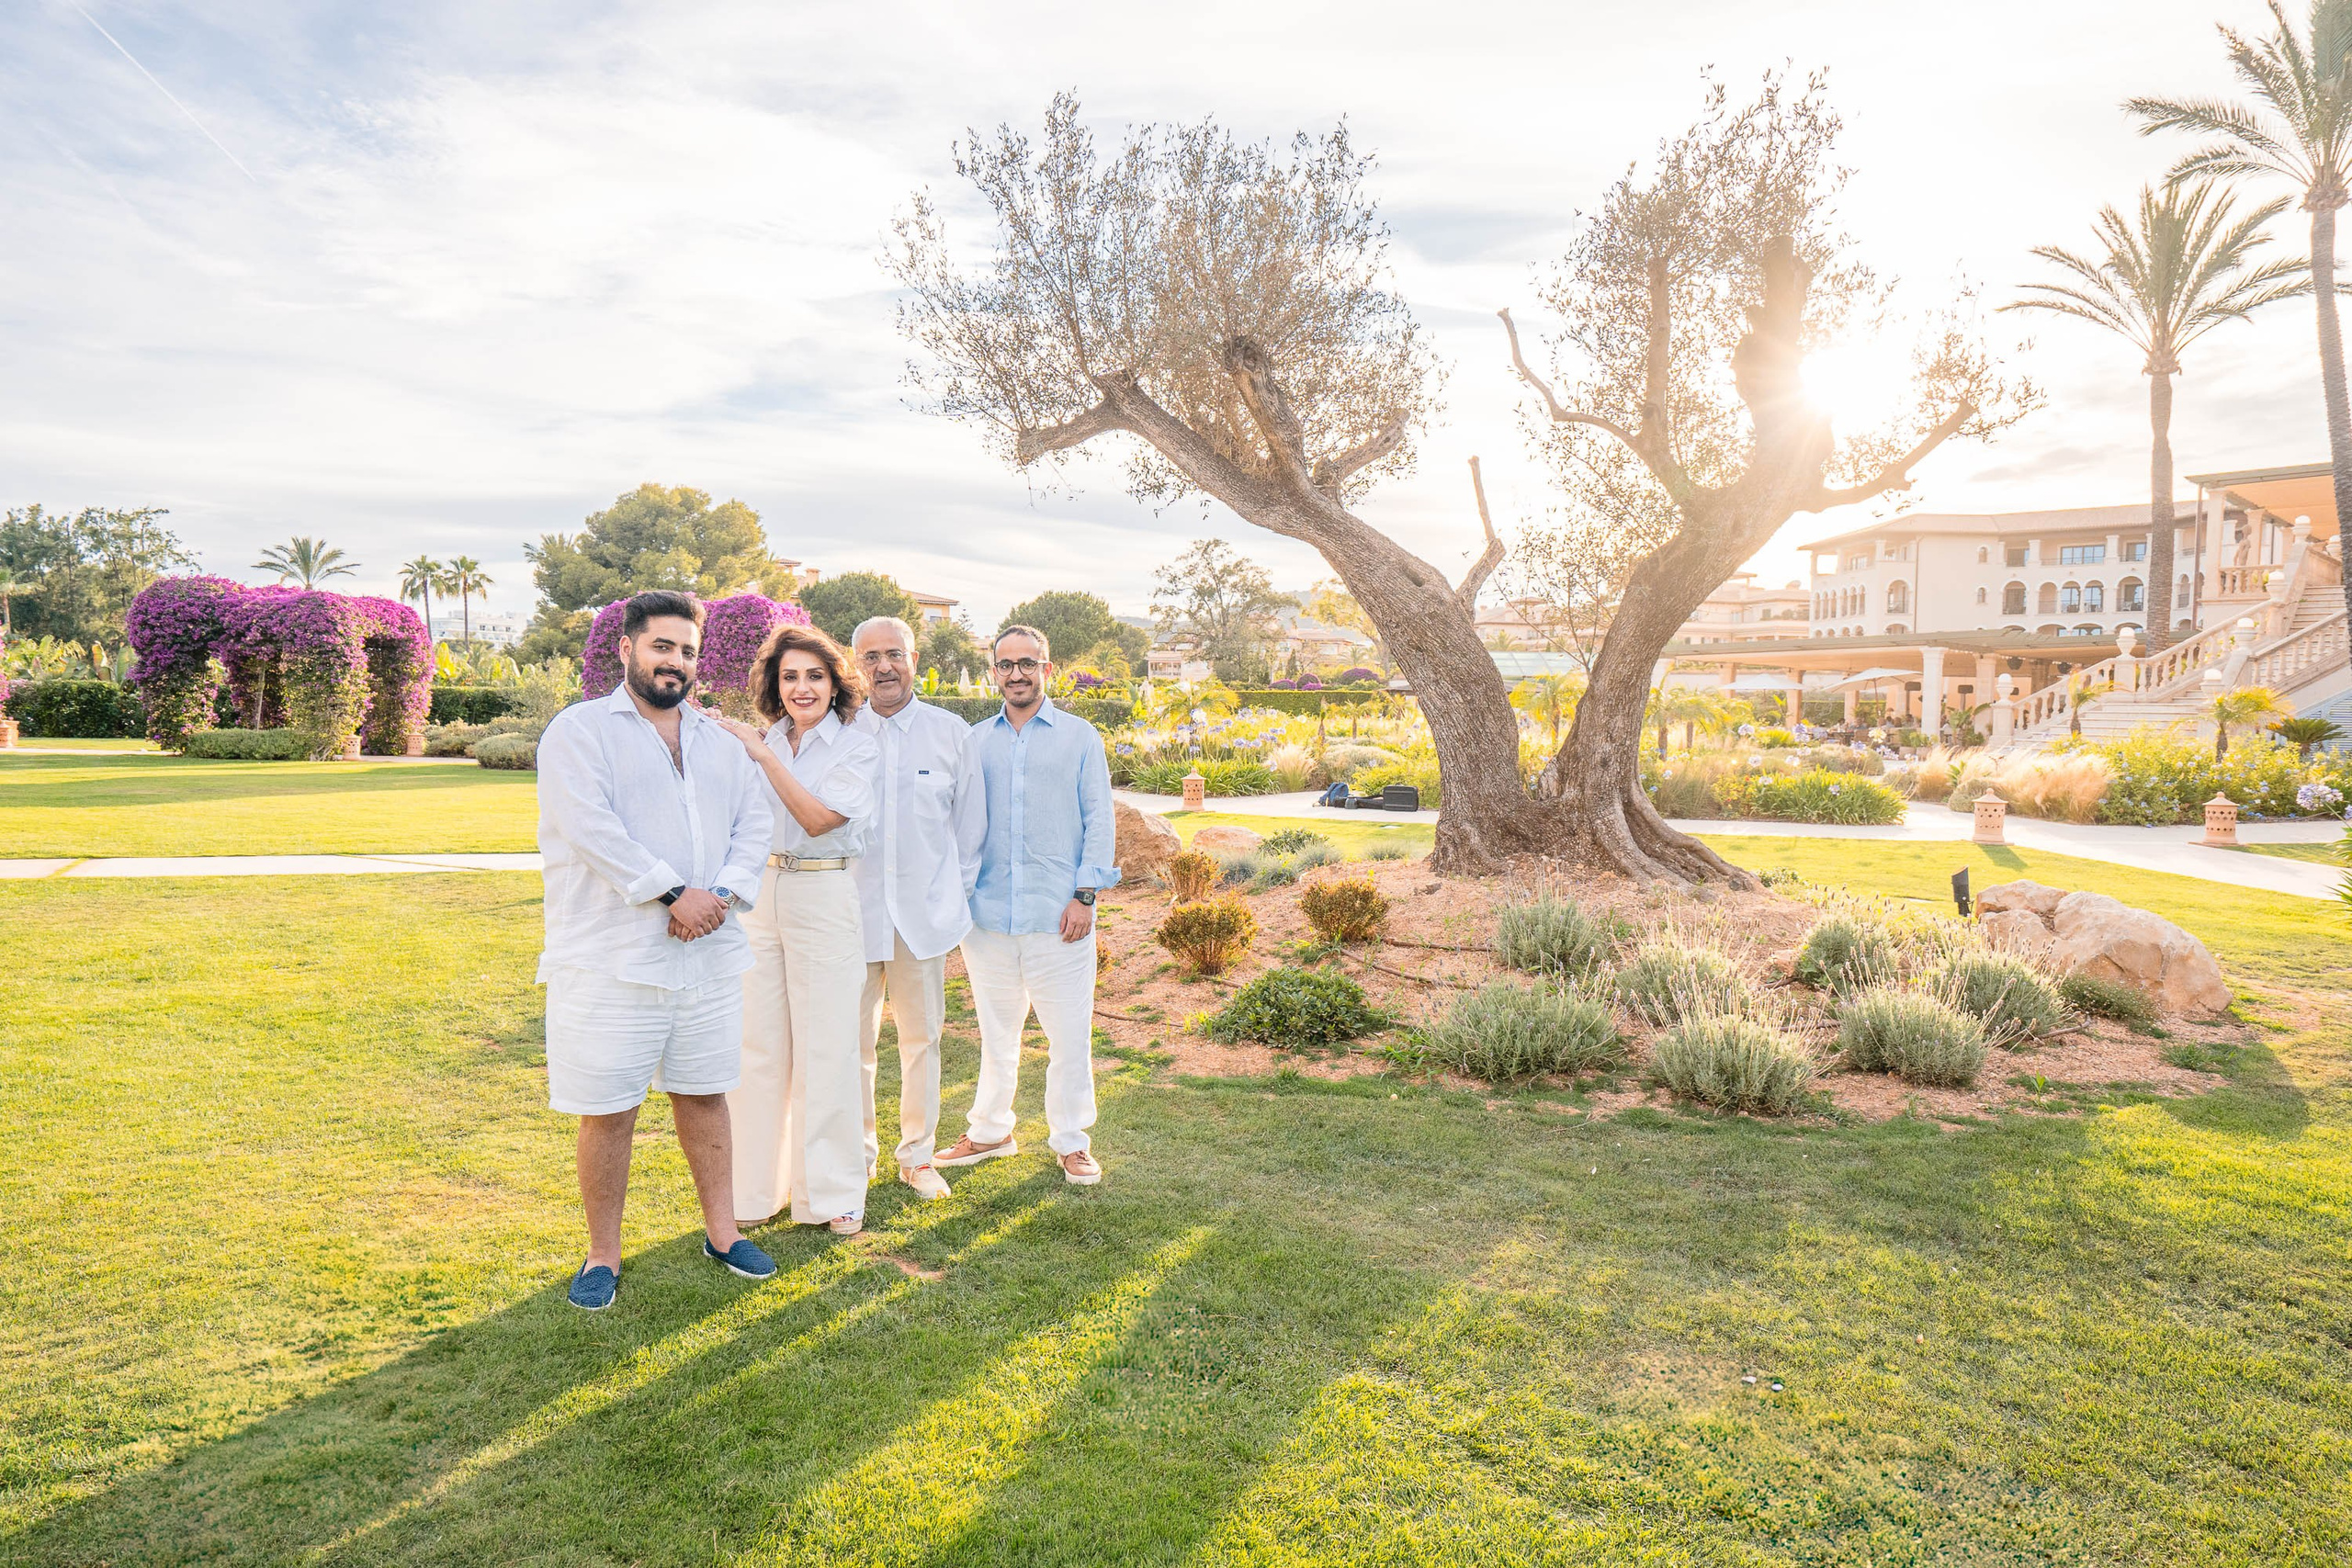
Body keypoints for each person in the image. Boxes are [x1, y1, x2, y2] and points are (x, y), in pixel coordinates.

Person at [534, 590, 778, 1311]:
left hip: (706, 957)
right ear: (627, 648)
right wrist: (675, 895)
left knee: (705, 1095)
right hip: (613, 958)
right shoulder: (579, 732)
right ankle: (602, 1255)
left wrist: (721, 897)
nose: (676, 662)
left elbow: (754, 825)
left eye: (687, 651)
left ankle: (724, 1232)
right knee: (609, 1109)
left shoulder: (717, 740)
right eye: (662, 646)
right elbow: (591, 829)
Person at [936, 625, 1118, 1187]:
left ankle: (1071, 1141)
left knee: (1068, 1036)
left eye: (1027, 663)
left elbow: (1100, 819)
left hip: (1058, 916)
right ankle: (991, 1130)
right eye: (1006, 664)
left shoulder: (1081, 737)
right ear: (995, 671)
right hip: (986, 918)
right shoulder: (972, 741)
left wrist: (1084, 896)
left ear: (1047, 667)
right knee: (997, 1032)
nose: (1016, 673)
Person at [713, 624, 878, 1236]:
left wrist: (760, 753)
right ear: (773, 685)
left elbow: (815, 819)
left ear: (836, 682)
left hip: (824, 888)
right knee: (757, 1046)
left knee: (826, 1046)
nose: (802, 686)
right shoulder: (769, 739)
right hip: (764, 895)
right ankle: (756, 1189)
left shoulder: (857, 746)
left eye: (814, 674)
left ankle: (833, 1195)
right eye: (790, 676)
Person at [847, 615, 985, 1201]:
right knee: (851, 1045)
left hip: (921, 922)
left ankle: (918, 1157)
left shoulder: (952, 734)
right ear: (857, 666)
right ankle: (854, 1158)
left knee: (921, 1041)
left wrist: (948, 905)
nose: (884, 667)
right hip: (850, 918)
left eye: (894, 654)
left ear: (914, 658)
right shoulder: (839, 731)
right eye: (872, 657)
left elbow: (970, 834)